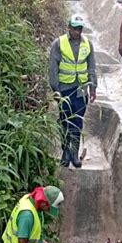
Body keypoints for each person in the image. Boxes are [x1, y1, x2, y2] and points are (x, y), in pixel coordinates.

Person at [49, 15, 97, 168]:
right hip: (65, 88)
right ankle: (65, 151)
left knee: (77, 121)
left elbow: (91, 67)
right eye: (75, 28)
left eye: (80, 28)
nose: (77, 31)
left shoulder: (87, 44)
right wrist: (55, 90)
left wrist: (93, 87)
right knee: (64, 120)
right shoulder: (59, 44)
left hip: (81, 89)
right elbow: (53, 69)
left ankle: (74, 153)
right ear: (69, 27)